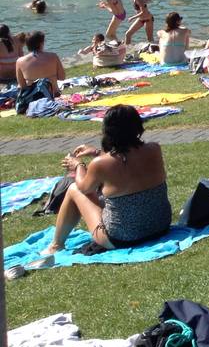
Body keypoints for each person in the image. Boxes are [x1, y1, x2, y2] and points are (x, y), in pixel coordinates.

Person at [33, 105, 172, 260]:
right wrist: (96, 153)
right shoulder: (154, 149)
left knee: (73, 189)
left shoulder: (100, 164)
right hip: (160, 226)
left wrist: (78, 165)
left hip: (122, 238)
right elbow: (126, 164)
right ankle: (56, 245)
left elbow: (85, 188)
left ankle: (56, 245)